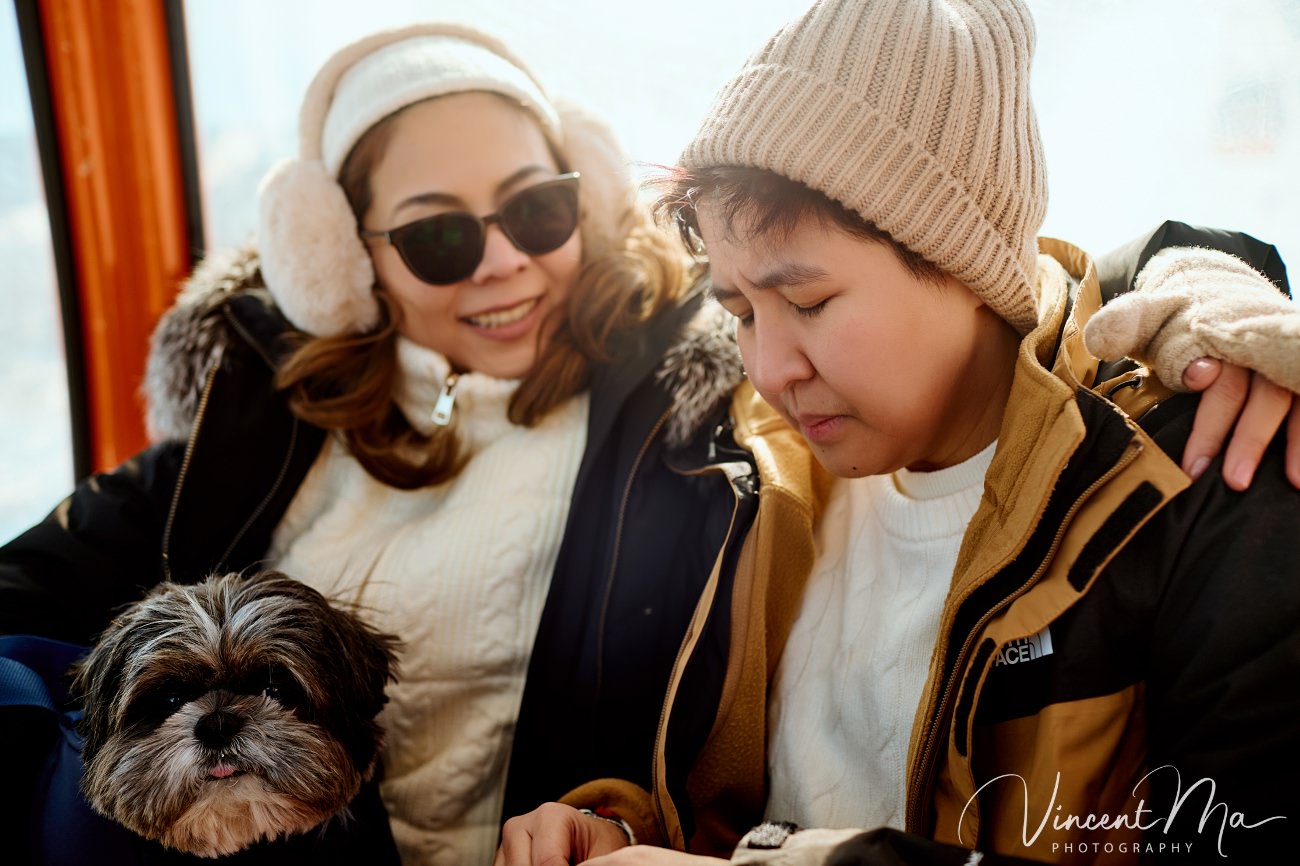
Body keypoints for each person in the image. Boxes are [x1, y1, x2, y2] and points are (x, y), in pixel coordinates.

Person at [0, 13, 1294, 866]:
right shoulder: (736, 448)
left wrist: (1221, 283)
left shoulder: (665, 412)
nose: (505, 263)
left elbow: (1037, 266)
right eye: (442, 236)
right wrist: (613, 821)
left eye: (540, 210)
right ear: (348, 259)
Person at [495, 1, 1300, 864]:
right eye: (739, 311)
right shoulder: (748, 469)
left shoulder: (1197, 475)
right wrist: (624, 832)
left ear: (964, 261)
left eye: (807, 303)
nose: (768, 368)